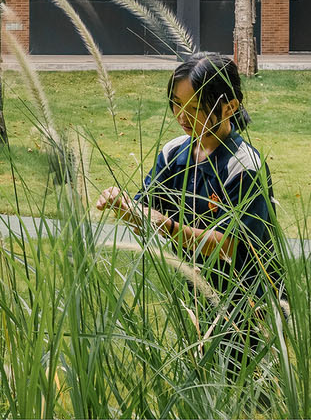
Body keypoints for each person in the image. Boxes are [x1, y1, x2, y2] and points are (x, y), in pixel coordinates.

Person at [95, 52, 285, 374]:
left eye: (195, 108)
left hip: (247, 299)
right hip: (196, 290)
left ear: (230, 106)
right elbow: (148, 214)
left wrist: (166, 226)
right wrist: (124, 206)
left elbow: (228, 244)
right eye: (175, 104)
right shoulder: (173, 153)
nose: (181, 116)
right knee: (203, 381)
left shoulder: (243, 165)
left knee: (246, 388)